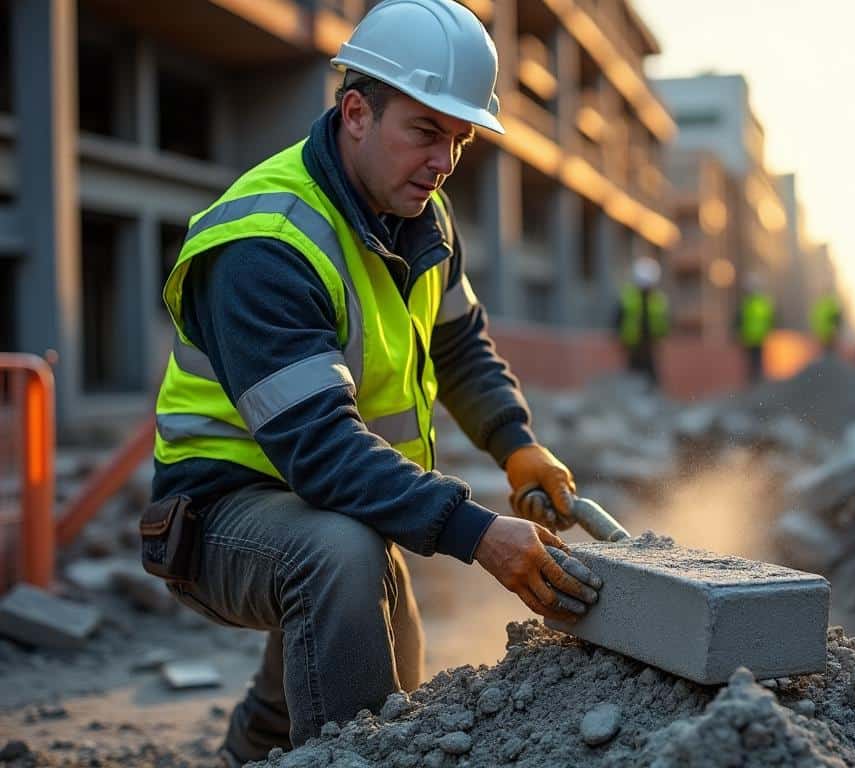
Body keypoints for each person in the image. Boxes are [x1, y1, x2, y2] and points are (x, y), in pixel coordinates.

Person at [144, 3, 601, 764]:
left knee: (379, 638)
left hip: (314, 502)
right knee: (343, 557)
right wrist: (478, 534)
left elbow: (460, 347)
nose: (444, 161)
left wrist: (517, 446)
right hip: (214, 517)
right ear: (356, 112)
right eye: (425, 131)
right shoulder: (266, 243)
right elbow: (321, 451)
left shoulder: (423, 217)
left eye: (458, 138)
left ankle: (253, 750)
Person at [613, 256, 669, 389]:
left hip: (649, 346)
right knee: (633, 378)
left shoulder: (658, 300)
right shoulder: (628, 297)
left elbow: (665, 323)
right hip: (633, 346)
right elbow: (618, 320)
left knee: (651, 380)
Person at [734, 275, 775, 384]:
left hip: (753, 337)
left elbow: (740, 320)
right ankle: (756, 380)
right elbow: (770, 319)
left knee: (754, 360)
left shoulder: (749, 303)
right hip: (754, 337)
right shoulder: (762, 303)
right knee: (755, 360)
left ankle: (755, 380)